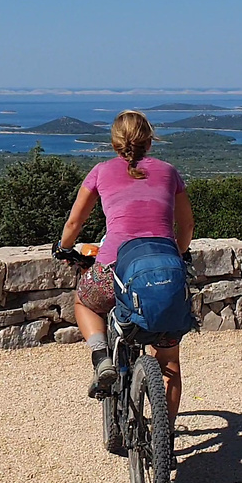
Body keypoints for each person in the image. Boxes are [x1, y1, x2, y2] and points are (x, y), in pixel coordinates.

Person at [54, 109, 194, 420]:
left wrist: (64, 249)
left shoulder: (101, 172)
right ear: (149, 141)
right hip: (166, 275)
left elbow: (75, 221)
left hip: (112, 272)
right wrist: (178, 254)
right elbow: (186, 226)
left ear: (115, 142)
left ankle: (101, 355)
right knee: (169, 364)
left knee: (85, 302)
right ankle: (164, 439)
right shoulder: (169, 172)